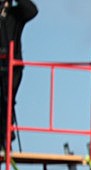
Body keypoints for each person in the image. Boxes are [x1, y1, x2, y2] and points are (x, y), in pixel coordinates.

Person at [0, 0, 37, 147]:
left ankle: (5, 136)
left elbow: (32, 10)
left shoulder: (16, 15)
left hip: (13, 66)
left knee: (7, 101)